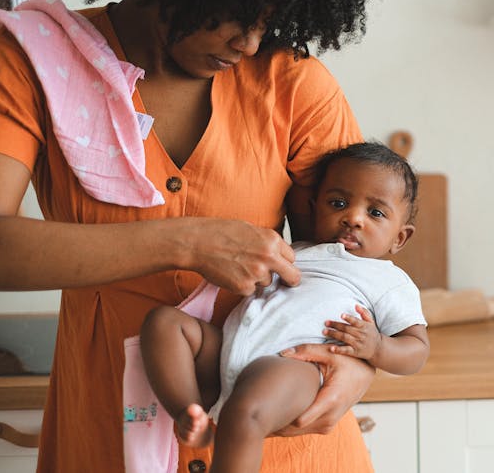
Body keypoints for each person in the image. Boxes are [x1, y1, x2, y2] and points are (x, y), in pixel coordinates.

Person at [0, 0, 385, 471]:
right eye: (238, 11)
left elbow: (352, 260)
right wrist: (186, 242)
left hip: (283, 441)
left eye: (266, 22)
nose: (248, 44)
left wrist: (359, 362)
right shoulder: (34, 58)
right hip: (107, 429)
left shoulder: (291, 80)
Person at [140, 142, 430, 473]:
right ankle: (187, 412)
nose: (353, 217)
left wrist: (377, 347)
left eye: (375, 213)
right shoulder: (295, 251)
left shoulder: (388, 280)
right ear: (313, 207)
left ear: (400, 238)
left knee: (245, 411)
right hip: (230, 347)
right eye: (338, 203)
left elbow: (417, 350)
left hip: (294, 364)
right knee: (164, 323)